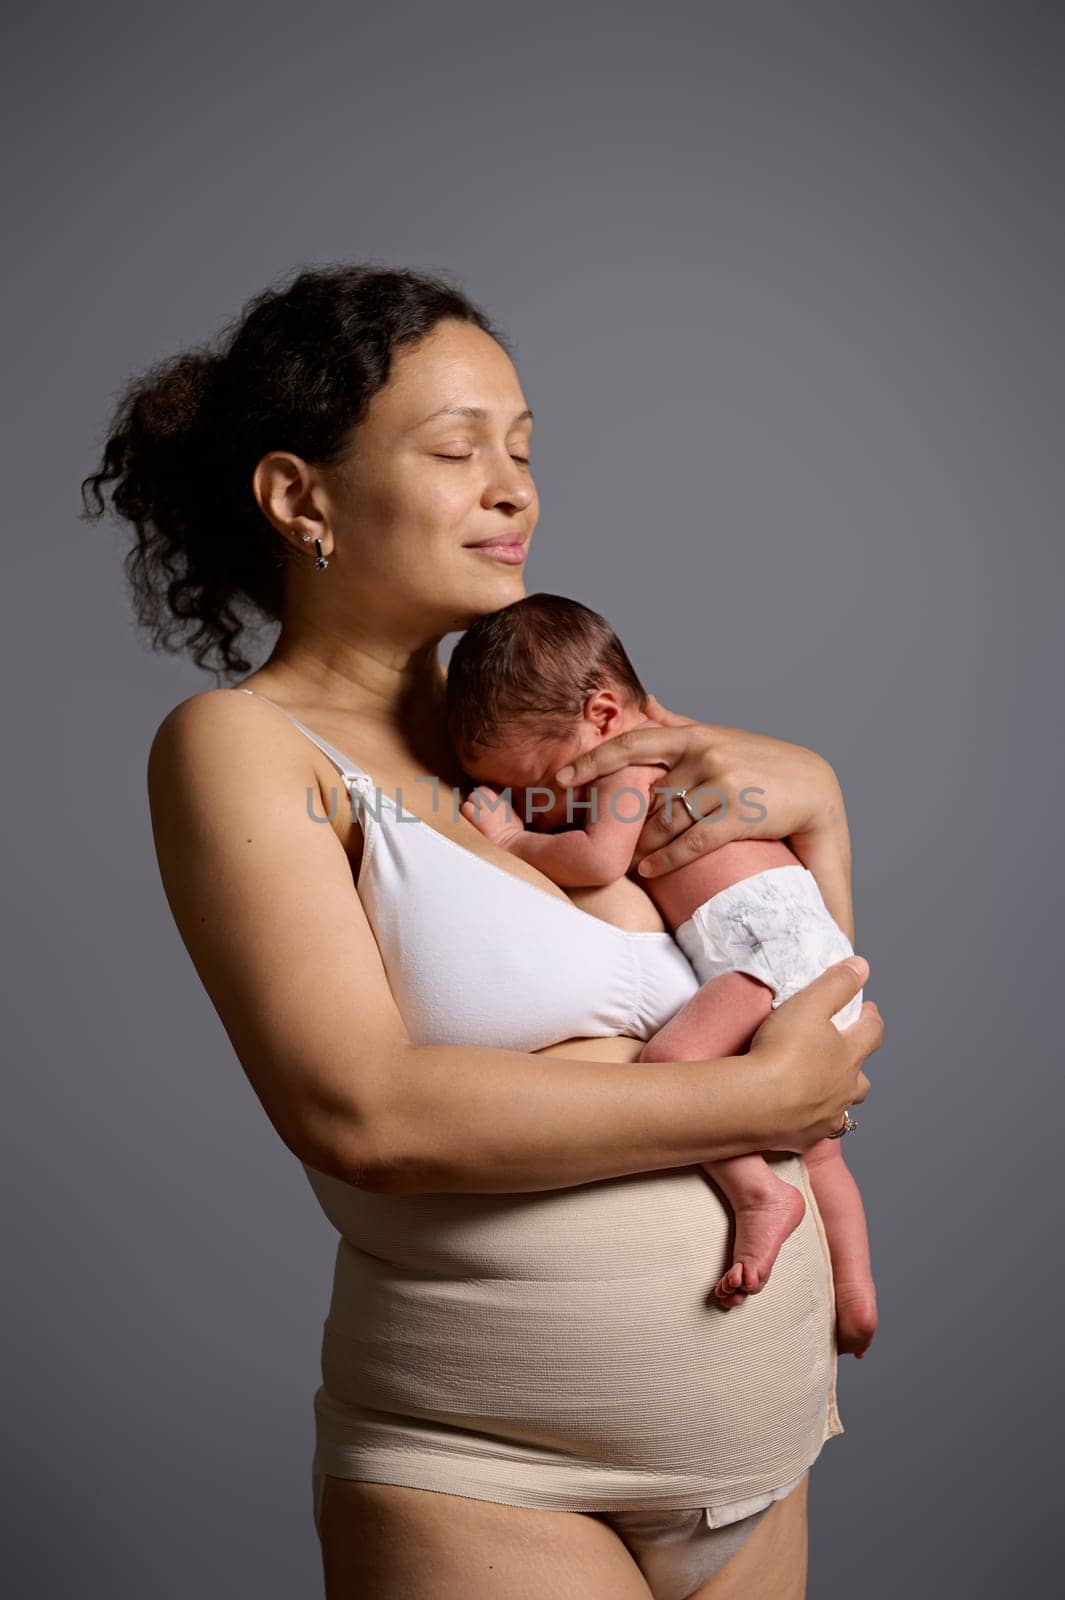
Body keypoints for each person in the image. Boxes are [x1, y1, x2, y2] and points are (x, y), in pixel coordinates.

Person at [82, 264, 884, 1600]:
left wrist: (827, 816)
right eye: (456, 452)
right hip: (491, 1469)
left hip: (760, 1461)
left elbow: (812, 1015)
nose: (512, 489)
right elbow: (364, 1116)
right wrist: (752, 1094)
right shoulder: (242, 747)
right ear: (299, 500)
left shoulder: (545, 735)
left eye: (521, 451)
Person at [446, 592, 877, 1351]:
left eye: (543, 782)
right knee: (826, 1151)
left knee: (675, 1064)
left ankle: (757, 1198)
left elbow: (599, 859)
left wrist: (513, 842)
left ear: (604, 716)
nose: (542, 806)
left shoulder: (633, 760)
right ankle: (853, 1292)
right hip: (803, 953)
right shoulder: (678, 750)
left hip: (761, 950)